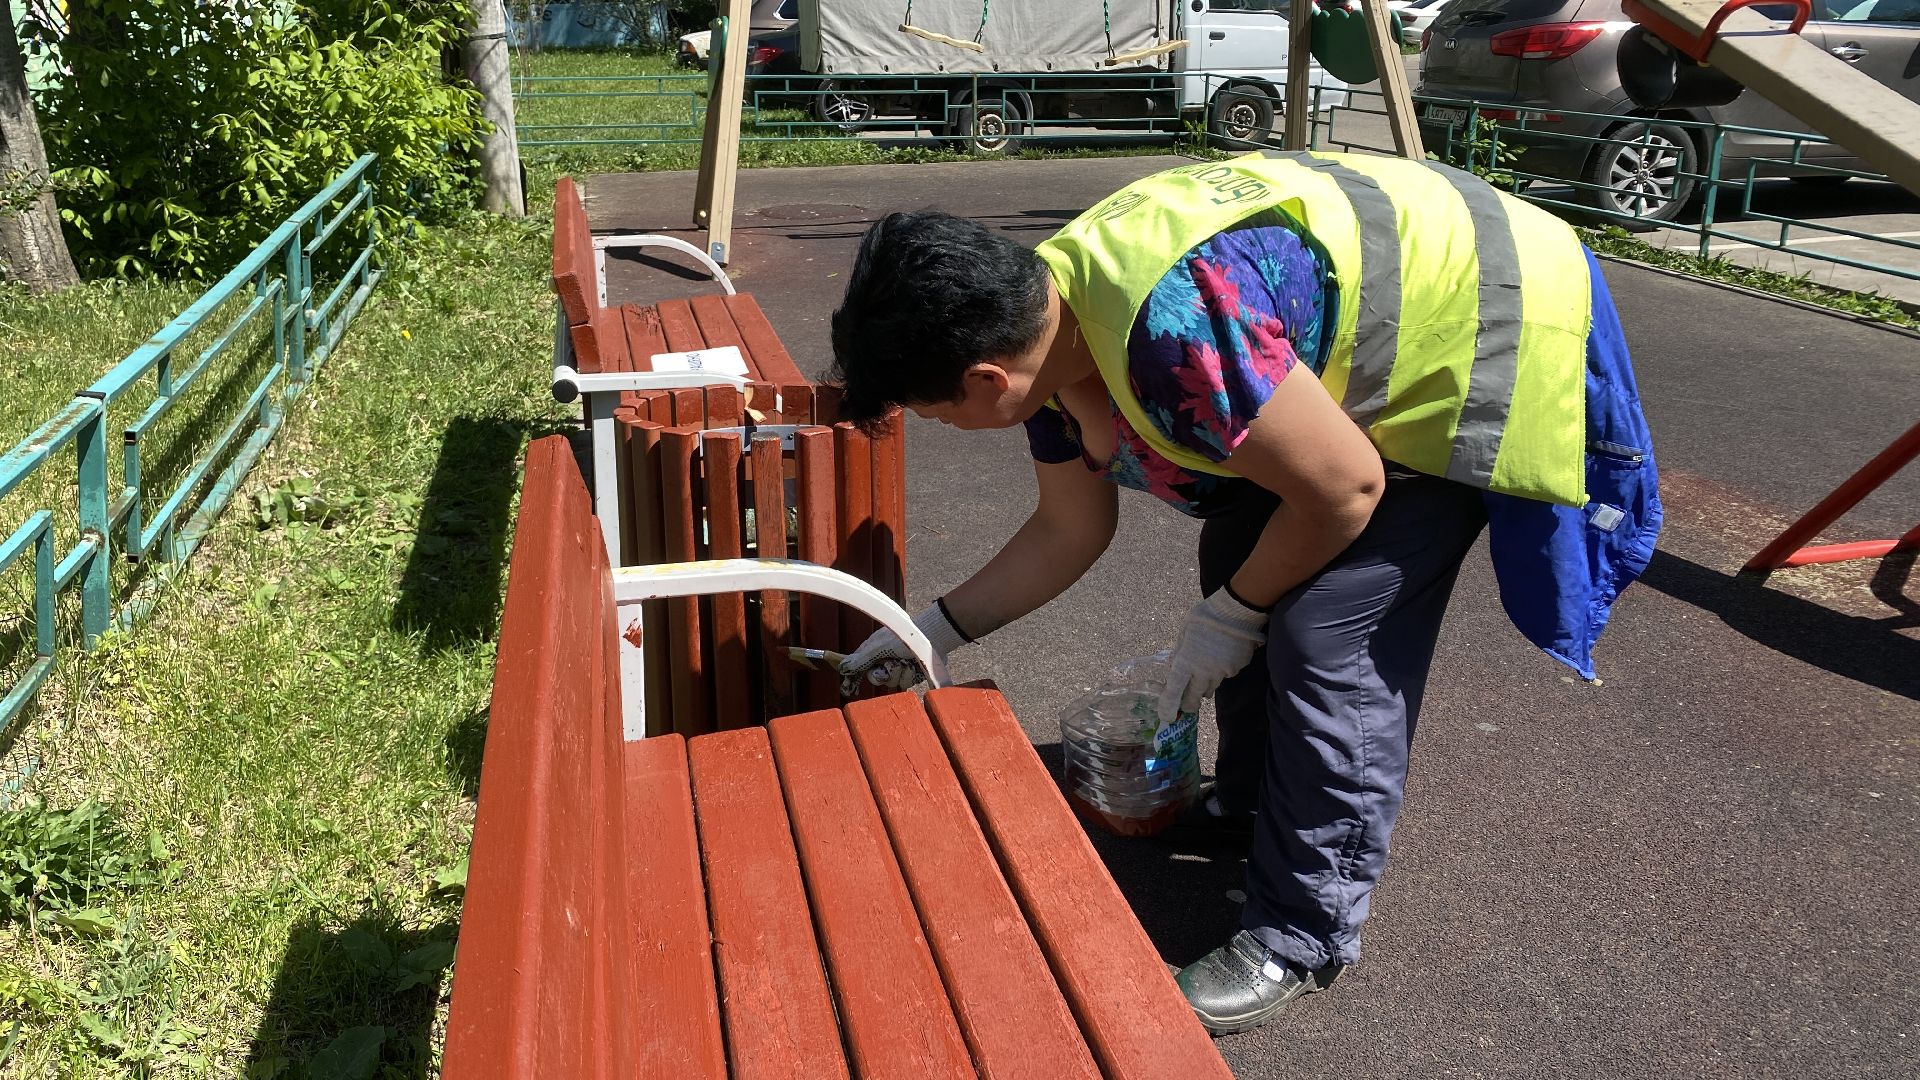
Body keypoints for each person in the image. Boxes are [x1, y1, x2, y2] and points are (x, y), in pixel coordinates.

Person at [826, 151, 1661, 1035]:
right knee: (1242, 554)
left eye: (937, 414)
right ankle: (1259, 801)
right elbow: (1070, 529)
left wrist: (1232, 615)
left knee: (1326, 632)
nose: (947, 429)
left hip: (1482, 309)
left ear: (983, 380)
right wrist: (932, 631)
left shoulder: (1171, 331)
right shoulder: (1038, 320)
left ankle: (1304, 932)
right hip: (1362, 311)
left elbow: (1345, 490)